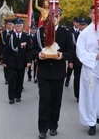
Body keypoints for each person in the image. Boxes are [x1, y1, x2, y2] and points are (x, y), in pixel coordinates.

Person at [31, 9, 73, 139]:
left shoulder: (66, 33)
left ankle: (53, 126)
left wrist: (62, 55)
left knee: (56, 101)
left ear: (60, 17)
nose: (54, 18)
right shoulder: (40, 31)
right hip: (44, 73)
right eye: (52, 16)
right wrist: (38, 55)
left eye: (57, 16)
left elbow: (71, 53)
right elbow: (32, 50)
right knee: (45, 100)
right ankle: (43, 129)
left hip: (58, 73)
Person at [76, 5, 99, 136]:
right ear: (90, 15)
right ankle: (91, 122)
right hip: (91, 68)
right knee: (90, 95)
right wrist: (95, 56)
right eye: (95, 13)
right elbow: (80, 52)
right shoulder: (85, 33)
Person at [2, 18, 32, 104]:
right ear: (14, 26)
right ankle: (11, 97)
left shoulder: (25, 36)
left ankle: (18, 95)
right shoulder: (10, 36)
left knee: (20, 80)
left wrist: (29, 61)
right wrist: (4, 61)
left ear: (22, 27)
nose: (19, 27)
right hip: (11, 62)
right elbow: (6, 50)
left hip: (21, 62)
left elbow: (29, 50)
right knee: (11, 79)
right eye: (17, 26)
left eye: (20, 26)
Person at [65, 17, 80, 87]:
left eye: (79, 23)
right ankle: (67, 79)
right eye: (76, 22)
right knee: (70, 70)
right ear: (73, 23)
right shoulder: (69, 31)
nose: (78, 24)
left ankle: (77, 93)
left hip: (78, 56)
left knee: (77, 74)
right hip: (71, 54)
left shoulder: (81, 32)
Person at [0, 19, 14, 84]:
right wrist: (1, 53)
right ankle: (6, 78)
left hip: (12, 53)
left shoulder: (14, 32)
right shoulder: (3, 33)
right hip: (5, 53)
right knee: (5, 66)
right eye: (8, 24)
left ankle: (11, 78)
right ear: (6, 25)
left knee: (11, 66)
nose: (9, 26)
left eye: (10, 24)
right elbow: (0, 44)